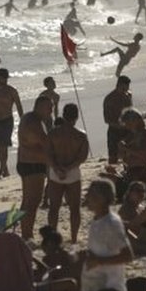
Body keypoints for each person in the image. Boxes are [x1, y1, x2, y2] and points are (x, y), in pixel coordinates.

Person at [80, 179, 133, 291]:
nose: (88, 197)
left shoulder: (112, 223)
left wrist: (99, 261)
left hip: (108, 290)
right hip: (93, 289)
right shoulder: (96, 221)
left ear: (103, 198)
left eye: (92, 194)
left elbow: (127, 255)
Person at [47, 103, 90, 243]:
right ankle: (73, 238)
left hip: (55, 172)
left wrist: (57, 168)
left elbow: (48, 154)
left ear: (63, 116)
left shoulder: (53, 133)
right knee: (74, 208)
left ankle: (53, 235)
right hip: (73, 172)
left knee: (54, 207)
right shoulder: (81, 135)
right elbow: (82, 157)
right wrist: (69, 168)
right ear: (76, 117)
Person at [17, 96, 53, 239]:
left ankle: (26, 233)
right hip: (33, 165)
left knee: (27, 201)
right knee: (32, 202)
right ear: (39, 106)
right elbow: (46, 143)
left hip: (27, 163)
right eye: (49, 107)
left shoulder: (30, 118)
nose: (51, 110)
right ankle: (27, 234)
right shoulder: (33, 122)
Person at [118, 108, 146, 184]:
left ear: (135, 120)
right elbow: (120, 154)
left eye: (128, 124)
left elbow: (145, 154)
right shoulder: (134, 132)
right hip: (131, 169)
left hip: (140, 170)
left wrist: (126, 148)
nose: (127, 127)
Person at [103, 76, 133, 164]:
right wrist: (119, 125)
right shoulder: (109, 99)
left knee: (128, 155)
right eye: (125, 87)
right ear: (119, 85)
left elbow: (130, 112)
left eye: (128, 87)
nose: (127, 89)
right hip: (114, 130)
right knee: (113, 157)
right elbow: (107, 119)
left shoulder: (127, 96)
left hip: (127, 129)